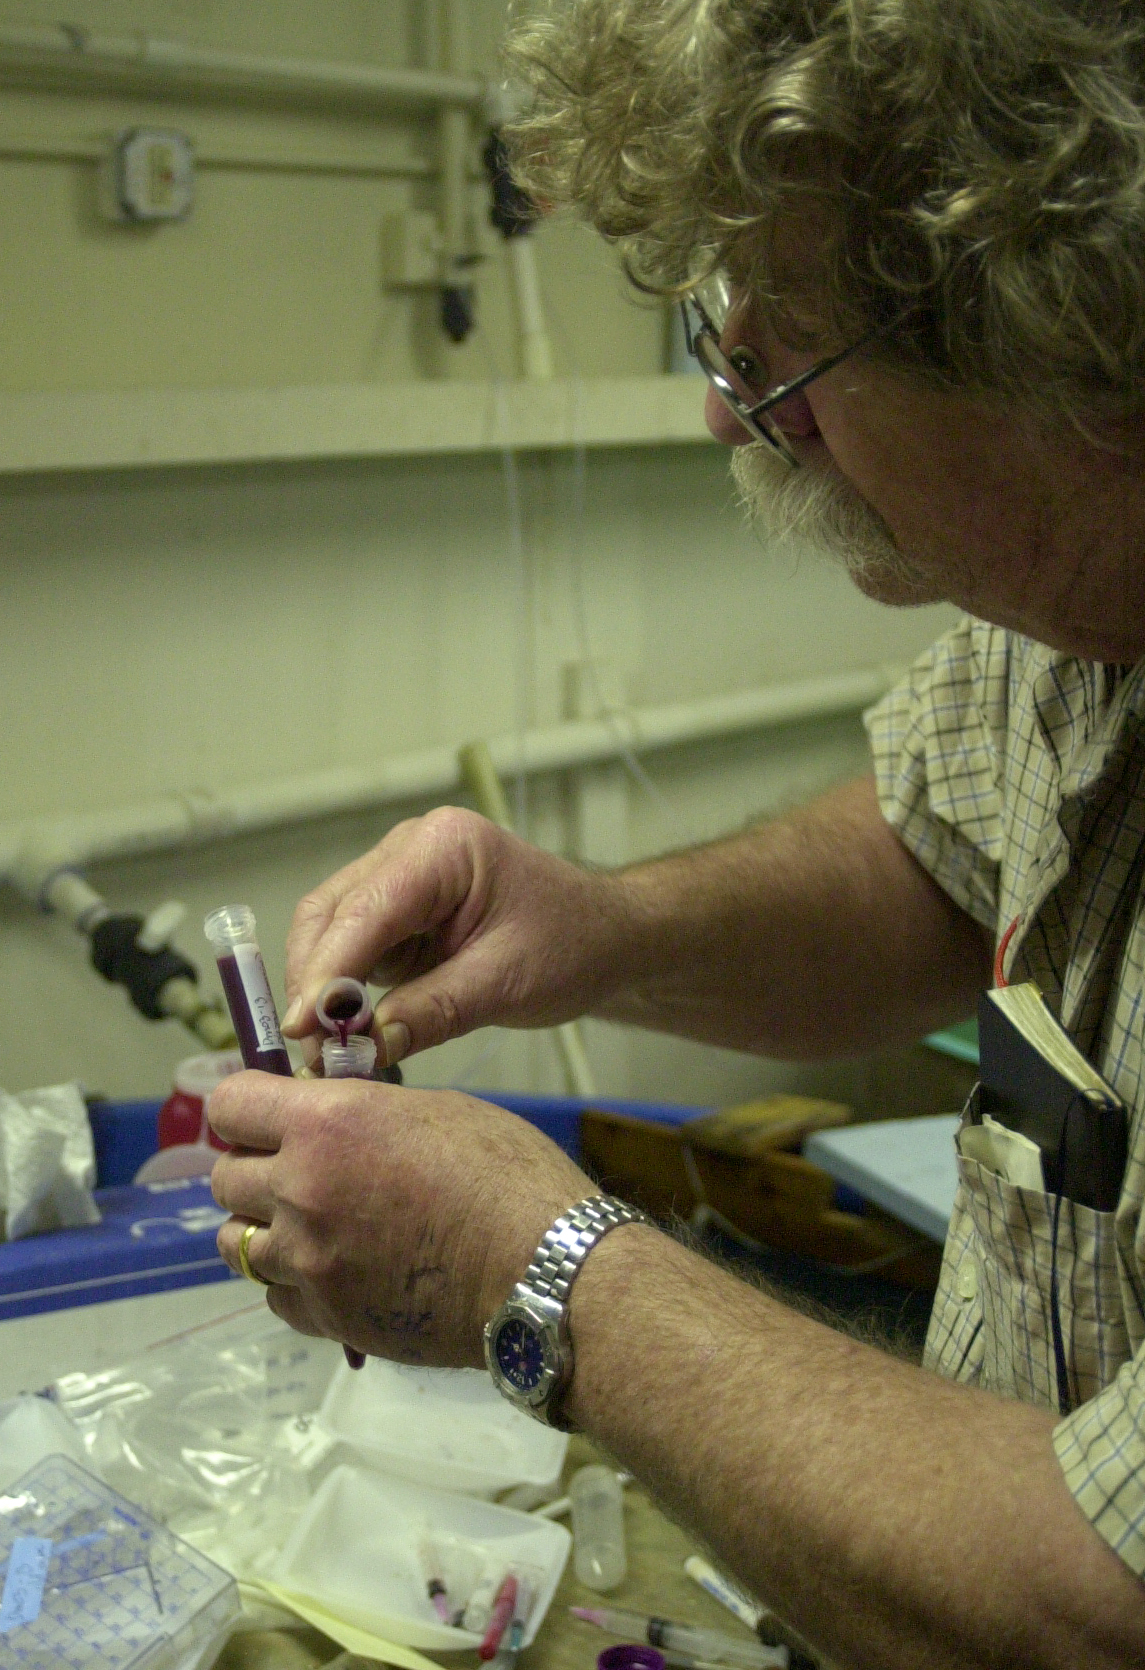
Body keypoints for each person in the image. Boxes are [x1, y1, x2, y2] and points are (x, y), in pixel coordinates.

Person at [208, 1, 1145, 1663]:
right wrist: (595, 927)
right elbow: (930, 858)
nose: (734, 417)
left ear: (1065, 328)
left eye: (782, 359)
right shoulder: (1069, 608)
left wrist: (535, 1265)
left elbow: (1100, 1600)